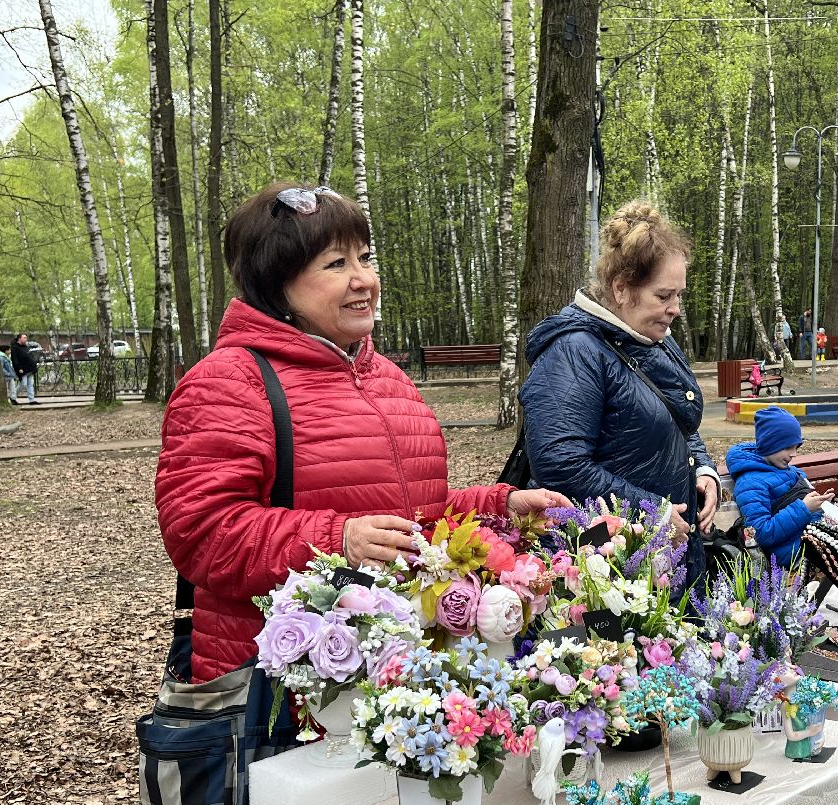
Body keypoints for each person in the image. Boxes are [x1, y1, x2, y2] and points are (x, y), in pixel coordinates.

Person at [155, 182, 568, 683]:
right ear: (276, 283)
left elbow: (411, 515)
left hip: (397, 681)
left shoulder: (387, 379)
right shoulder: (229, 381)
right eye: (336, 264)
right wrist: (337, 539)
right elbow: (202, 534)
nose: (363, 280)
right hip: (283, 690)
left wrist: (498, 505)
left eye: (365, 258)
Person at [520, 200, 721, 587]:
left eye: (678, 295)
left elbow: (678, 416)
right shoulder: (574, 351)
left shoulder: (651, 338)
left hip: (662, 550)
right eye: (664, 296)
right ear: (622, 289)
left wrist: (703, 468)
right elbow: (559, 464)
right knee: (613, 645)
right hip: (603, 563)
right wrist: (651, 512)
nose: (675, 309)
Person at [725, 405, 828, 568]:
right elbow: (760, 533)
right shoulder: (750, 483)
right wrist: (804, 508)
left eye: (796, 447)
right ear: (770, 444)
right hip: (791, 557)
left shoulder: (791, 471)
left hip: (812, 542)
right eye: (788, 447)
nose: (793, 454)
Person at [10, 332, 38, 404]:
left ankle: (31, 399)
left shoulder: (25, 347)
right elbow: (15, 359)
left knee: (30, 383)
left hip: (30, 368)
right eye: (24, 338)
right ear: (19, 339)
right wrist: (19, 368)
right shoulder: (15, 347)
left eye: (26, 338)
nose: (26, 339)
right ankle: (13, 397)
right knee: (23, 384)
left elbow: (29, 356)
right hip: (22, 369)